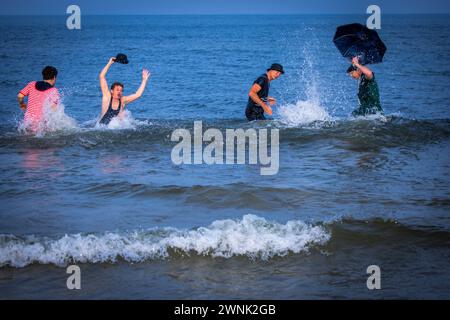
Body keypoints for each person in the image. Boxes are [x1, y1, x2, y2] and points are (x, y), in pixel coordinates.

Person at [99, 57, 150, 125]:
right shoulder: (107, 97)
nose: (119, 92)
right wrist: (109, 63)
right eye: (117, 90)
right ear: (112, 91)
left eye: (121, 90)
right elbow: (101, 77)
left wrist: (144, 80)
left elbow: (138, 94)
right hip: (101, 127)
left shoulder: (123, 100)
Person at [17, 66, 60, 131]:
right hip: (41, 124)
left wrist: (22, 105)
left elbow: (20, 96)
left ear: (43, 76)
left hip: (28, 121)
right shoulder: (53, 90)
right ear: (54, 77)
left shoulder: (32, 84)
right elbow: (53, 109)